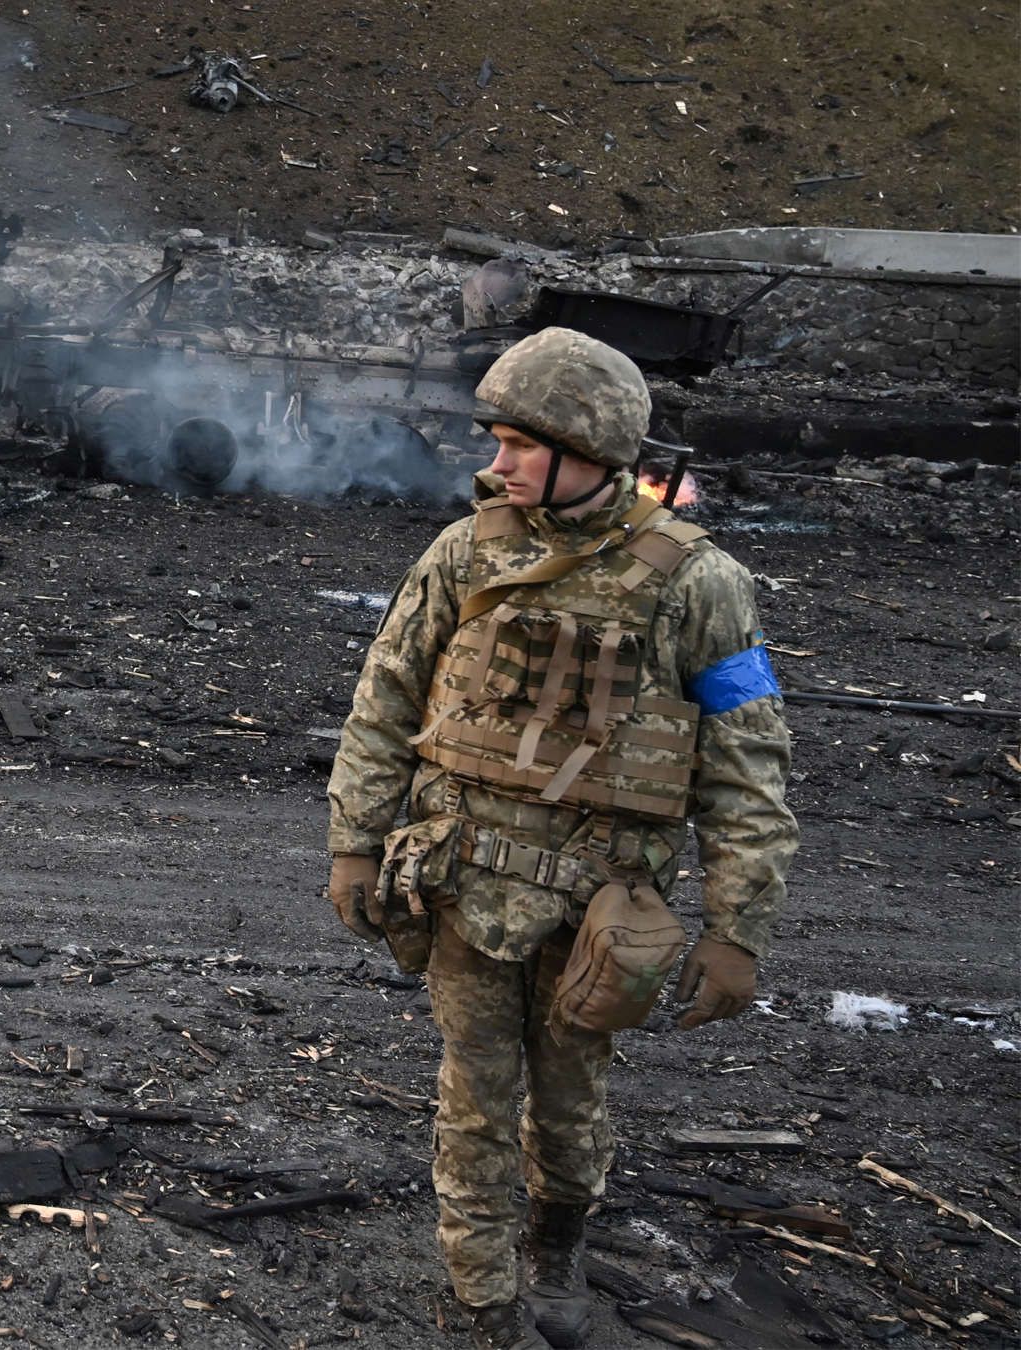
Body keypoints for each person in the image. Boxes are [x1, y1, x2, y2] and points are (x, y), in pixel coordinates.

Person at [324, 327, 797, 1349]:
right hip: (464, 883)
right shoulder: (466, 551)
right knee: (476, 1100)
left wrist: (735, 928)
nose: (494, 464)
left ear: (591, 450)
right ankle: (485, 1302)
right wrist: (356, 842)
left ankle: (557, 1241)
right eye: (495, 440)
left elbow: (748, 765)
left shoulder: (700, 583)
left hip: (603, 904)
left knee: (573, 1105)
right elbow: (385, 698)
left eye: (518, 444)